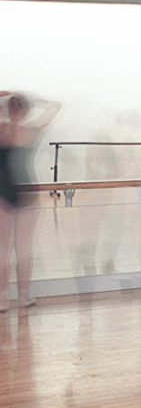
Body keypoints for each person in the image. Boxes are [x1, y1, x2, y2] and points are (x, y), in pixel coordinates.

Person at [0, 90, 59, 310]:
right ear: (26, 110)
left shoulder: (2, 129)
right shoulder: (31, 130)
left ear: (8, 108)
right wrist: (35, 99)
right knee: (24, 247)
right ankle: (24, 296)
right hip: (26, 189)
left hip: (2, 190)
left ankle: (2, 299)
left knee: (2, 249)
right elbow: (55, 106)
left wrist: (3, 94)